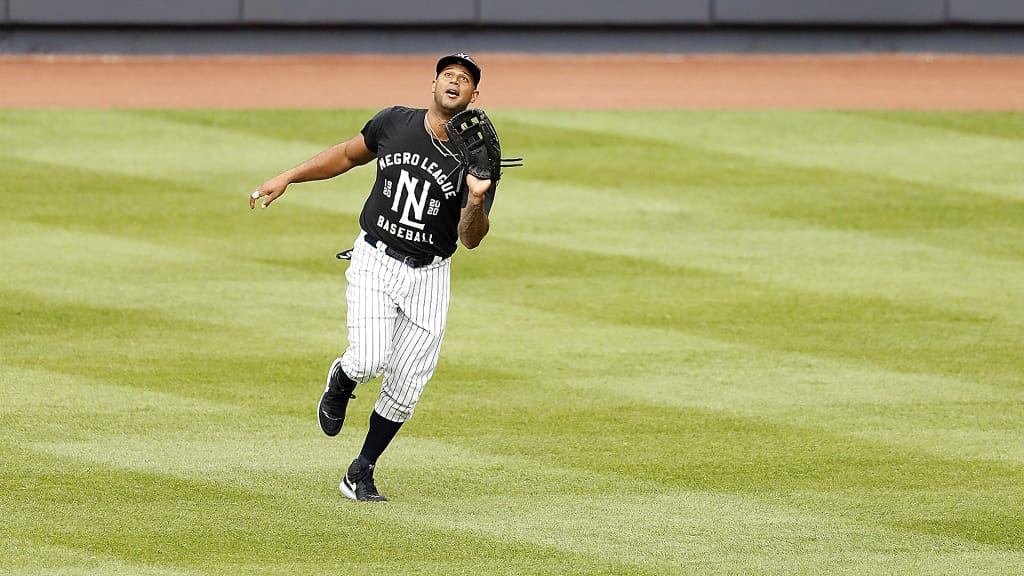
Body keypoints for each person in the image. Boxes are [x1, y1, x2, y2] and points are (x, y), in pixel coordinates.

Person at [249, 53, 497, 502]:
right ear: (434, 83)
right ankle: (342, 379)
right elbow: (346, 156)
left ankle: (360, 471)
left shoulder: (477, 158)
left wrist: (477, 198)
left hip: (430, 275)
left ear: (474, 95)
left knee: (405, 389)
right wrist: (288, 176)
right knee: (366, 360)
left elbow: (471, 239)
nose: (455, 82)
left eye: (464, 79)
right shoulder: (394, 123)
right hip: (376, 259)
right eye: (448, 75)